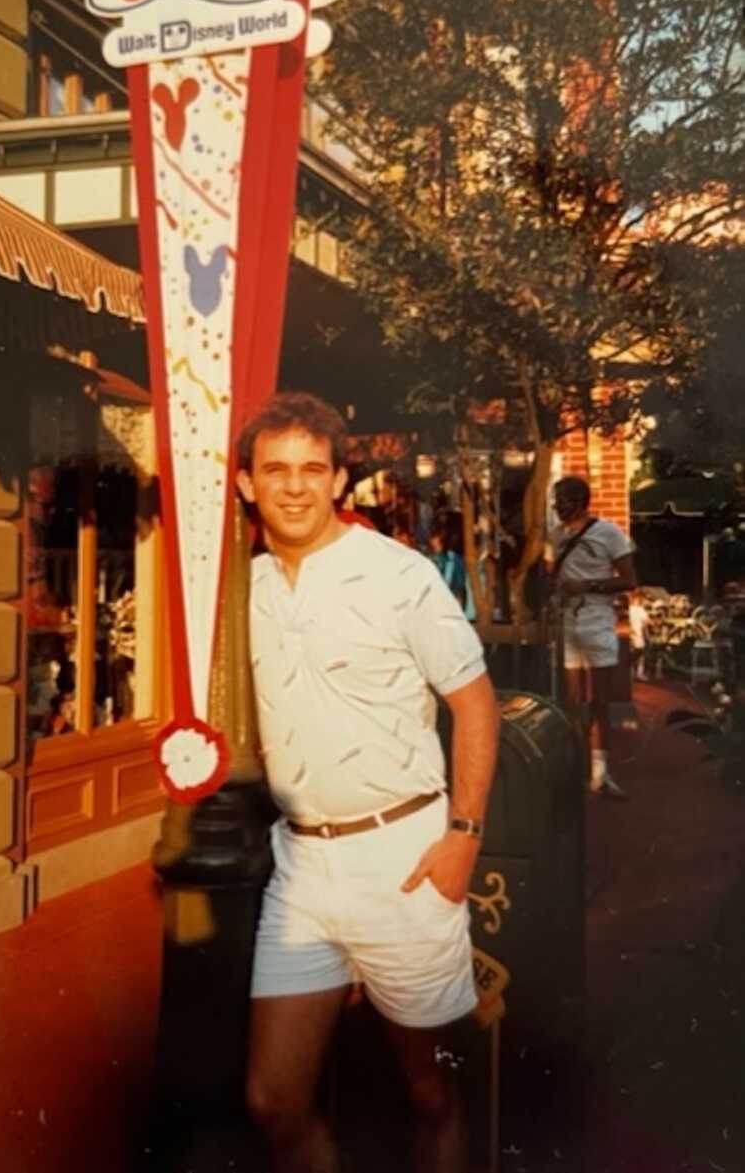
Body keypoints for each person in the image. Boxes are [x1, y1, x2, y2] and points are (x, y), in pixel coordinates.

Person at [235, 392, 501, 1173]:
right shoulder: (241, 589)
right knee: (273, 1100)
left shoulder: (398, 574)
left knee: (426, 1091)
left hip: (405, 861)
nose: (293, 486)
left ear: (339, 479)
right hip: (302, 870)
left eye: (312, 469)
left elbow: (476, 705)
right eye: (274, 469)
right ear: (247, 483)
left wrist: (463, 837)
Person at [549, 475, 636, 800]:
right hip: (568, 623)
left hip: (598, 622)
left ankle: (601, 775)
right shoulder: (557, 536)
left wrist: (588, 586)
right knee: (571, 701)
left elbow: (629, 580)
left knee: (599, 703)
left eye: (563, 500)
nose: (557, 506)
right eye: (556, 500)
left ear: (581, 502)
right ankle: (578, 770)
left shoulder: (609, 533)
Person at [627, 588, 649, 681]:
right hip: (637, 636)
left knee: (630, 655)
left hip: (629, 635)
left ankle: (631, 673)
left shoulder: (628, 609)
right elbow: (646, 623)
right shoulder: (640, 610)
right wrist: (647, 635)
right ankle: (639, 673)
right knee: (640, 655)